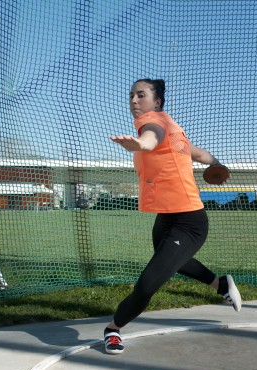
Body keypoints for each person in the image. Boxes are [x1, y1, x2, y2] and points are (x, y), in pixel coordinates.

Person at [103, 78, 242, 355]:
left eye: (140, 95)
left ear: (156, 102)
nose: (133, 100)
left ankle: (113, 329)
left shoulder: (153, 122)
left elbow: (150, 136)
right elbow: (199, 153)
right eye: (131, 95)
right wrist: (215, 163)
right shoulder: (174, 128)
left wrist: (141, 145)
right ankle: (221, 283)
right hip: (165, 217)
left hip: (189, 223)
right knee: (175, 263)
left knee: (147, 284)